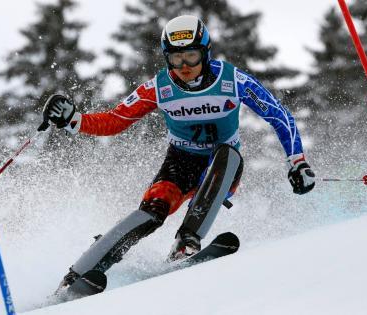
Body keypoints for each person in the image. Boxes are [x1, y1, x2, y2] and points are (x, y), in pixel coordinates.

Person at [42, 15, 315, 295]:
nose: (184, 67)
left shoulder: (232, 80)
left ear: (206, 53)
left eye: (192, 56)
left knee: (226, 154)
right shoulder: (159, 87)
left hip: (222, 166)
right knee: (152, 211)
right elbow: (115, 120)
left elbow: (279, 115)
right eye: (175, 59)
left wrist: (297, 162)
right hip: (180, 162)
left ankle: (187, 241)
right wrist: (74, 119)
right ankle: (78, 274)